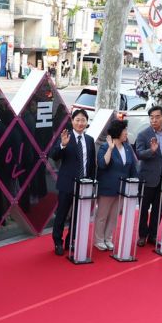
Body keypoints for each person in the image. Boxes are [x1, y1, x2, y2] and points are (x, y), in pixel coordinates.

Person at [48, 109, 96, 256]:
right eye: (77, 120)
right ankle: (58, 242)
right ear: (72, 121)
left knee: (78, 215)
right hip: (67, 183)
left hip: (84, 185)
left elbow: (91, 163)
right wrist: (62, 145)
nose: (80, 123)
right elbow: (54, 156)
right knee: (62, 214)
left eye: (83, 120)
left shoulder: (89, 140)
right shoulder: (65, 137)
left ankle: (71, 240)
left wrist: (92, 182)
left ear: (87, 122)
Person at [95, 119, 138, 251]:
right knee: (102, 215)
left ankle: (108, 238)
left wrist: (134, 183)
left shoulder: (127, 147)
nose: (126, 133)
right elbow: (102, 164)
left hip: (121, 189)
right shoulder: (105, 147)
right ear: (118, 132)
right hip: (107, 188)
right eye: (124, 131)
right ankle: (99, 240)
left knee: (113, 216)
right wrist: (110, 148)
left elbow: (132, 167)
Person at [135, 105, 162, 247]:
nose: (154, 120)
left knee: (158, 210)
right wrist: (151, 151)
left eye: (157, 117)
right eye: (151, 117)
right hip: (147, 179)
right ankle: (142, 235)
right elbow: (138, 154)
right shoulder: (143, 134)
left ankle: (153, 234)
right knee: (144, 209)